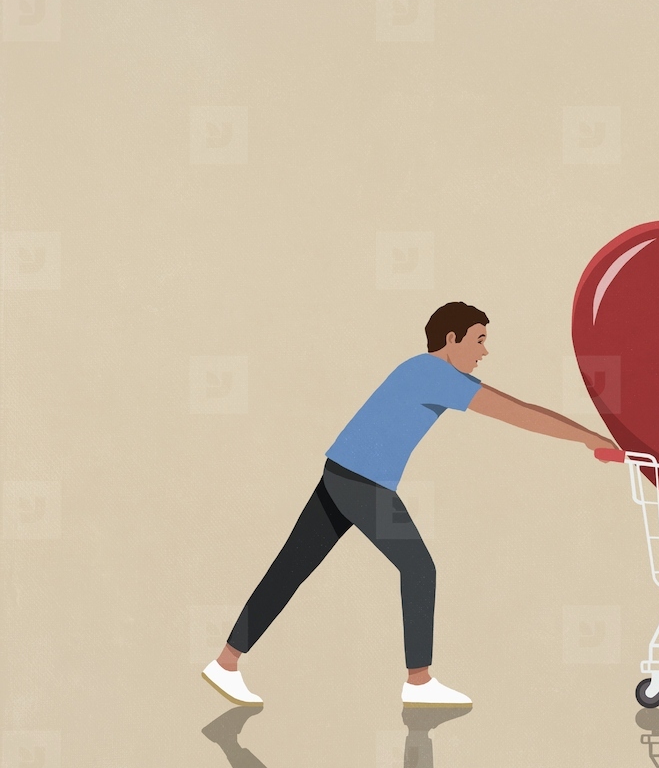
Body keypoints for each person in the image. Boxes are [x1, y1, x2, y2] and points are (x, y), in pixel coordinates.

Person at [201, 301, 619, 707]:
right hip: (362, 484)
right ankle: (418, 680)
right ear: (451, 339)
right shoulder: (435, 373)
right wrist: (589, 438)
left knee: (291, 567)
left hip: (340, 473)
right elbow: (517, 412)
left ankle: (226, 662)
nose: (484, 352)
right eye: (478, 340)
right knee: (419, 568)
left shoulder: (418, 369)